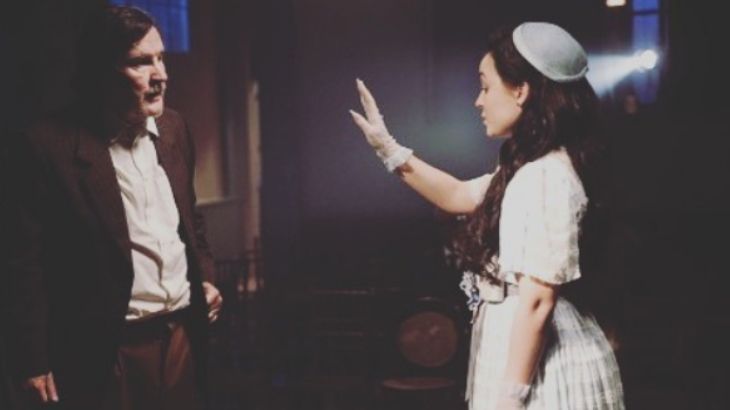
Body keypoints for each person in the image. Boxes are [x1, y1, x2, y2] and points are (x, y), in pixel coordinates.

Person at [350, 22, 624, 409]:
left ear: (521, 91)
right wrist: (388, 148)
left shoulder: (545, 174)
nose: (478, 101)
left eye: (486, 87)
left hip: (541, 362)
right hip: (518, 344)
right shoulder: (527, 168)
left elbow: (538, 301)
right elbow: (458, 194)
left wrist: (512, 397)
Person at [4, 5, 222, 410]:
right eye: (140, 62)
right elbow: (22, 265)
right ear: (100, 72)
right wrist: (31, 360)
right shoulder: (45, 146)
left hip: (181, 338)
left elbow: (190, 219)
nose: (161, 75)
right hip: (106, 351)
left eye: (161, 58)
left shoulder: (175, 129)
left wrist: (205, 277)